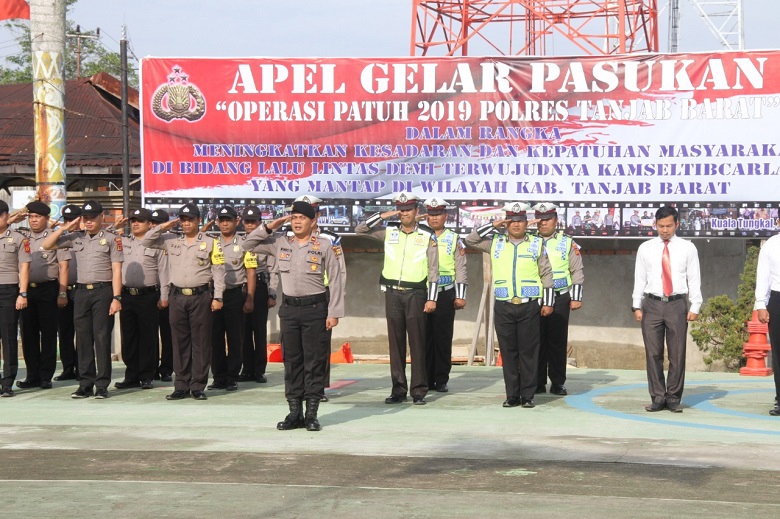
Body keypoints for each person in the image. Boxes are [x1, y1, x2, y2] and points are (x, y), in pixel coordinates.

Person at [243, 201, 345, 431]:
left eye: (302, 218)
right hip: (289, 310)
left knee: (313, 361)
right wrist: (271, 225)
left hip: (315, 309)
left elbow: (336, 280)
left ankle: (311, 414)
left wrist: (334, 312)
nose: (297, 222)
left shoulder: (324, 245)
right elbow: (247, 243)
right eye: (294, 217)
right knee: (292, 361)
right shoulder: (280, 243)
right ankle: (294, 413)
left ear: (313, 221)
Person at [465, 202, 554, 408]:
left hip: (529, 306)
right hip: (504, 305)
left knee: (528, 352)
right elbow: (471, 240)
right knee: (509, 352)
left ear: (526, 223)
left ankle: (528, 395)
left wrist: (548, 302)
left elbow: (547, 274)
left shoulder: (536, 243)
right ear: (506, 222)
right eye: (512, 221)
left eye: (520, 221)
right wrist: (494, 225)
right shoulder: (495, 242)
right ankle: (512, 395)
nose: (516, 225)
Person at [355, 192, 439, 405]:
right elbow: (360, 229)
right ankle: (398, 390)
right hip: (392, 293)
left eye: (408, 209)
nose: (404, 213)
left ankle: (419, 391)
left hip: (416, 295)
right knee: (396, 343)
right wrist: (386, 215)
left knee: (418, 343)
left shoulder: (428, 235)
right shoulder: (389, 231)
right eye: (401, 209)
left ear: (416, 211)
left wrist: (432, 298)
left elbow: (434, 270)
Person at [142, 202, 226, 401]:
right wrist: (164, 226)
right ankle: (181, 385)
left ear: (199, 220)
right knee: (179, 343)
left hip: (201, 296)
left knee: (201, 342)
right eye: (183, 220)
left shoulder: (211, 242)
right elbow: (146, 240)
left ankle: (198, 385)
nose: (187, 223)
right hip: (178, 297)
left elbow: (219, 271)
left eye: (190, 219)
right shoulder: (171, 241)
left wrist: (218, 296)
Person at [42, 200, 123, 400]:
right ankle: (85, 384)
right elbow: (47, 244)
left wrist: (116, 297)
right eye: (85, 218)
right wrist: (65, 227)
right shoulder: (76, 238)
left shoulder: (112, 239)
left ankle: (102, 385)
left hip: (103, 291)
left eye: (92, 218)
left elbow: (117, 269)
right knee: (83, 338)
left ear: (101, 217)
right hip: (81, 292)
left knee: (102, 338)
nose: (88, 222)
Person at [631, 205, 702, 413]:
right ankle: (657, 396)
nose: (664, 230)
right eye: (661, 226)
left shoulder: (688, 248)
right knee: (653, 353)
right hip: (651, 304)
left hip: (677, 303)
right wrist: (636, 304)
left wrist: (695, 304)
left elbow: (694, 277)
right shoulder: (646, 248)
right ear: (655, 225)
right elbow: (640, 278)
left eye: (669, 226)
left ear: (677, 224)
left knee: (677, 353)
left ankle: (673, 397)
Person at [290, 194, 346, 402]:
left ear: (316, 216)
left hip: (323, 293)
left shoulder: (330, 239)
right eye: (297, 214)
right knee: (296, 349)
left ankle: (318, 388)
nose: (301, 219)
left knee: (319, 346)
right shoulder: (289, 237)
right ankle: (298, 388)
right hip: (298, 297)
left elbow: (339, 273)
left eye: (309, 212)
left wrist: (336, 305)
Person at [13, 201, 68, 390]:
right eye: (31, 217)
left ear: (46, 218)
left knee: (48, 334)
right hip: (26, 290)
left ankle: (46, 376)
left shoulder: (54, 237)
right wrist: (16, 216)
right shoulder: (21, 236)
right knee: (28, 335)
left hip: (48, 289)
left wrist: (62, 292)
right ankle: (32, 375)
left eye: (38, 217)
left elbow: (63, 266)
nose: (34, 220)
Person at [531, 203, 584, 396]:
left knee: (557, 341)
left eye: (547, 219)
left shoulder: (567, 242)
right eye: (540, 219)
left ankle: (557, 382)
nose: (543, 223)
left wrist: (576, 297)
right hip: (536, 298)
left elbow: (577, 270)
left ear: (556, 220)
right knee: (536, 341)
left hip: (560, 297)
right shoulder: (530, 241)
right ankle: (536, 382)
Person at [115, 208, 169, 390]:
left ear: (149, 224)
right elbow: (104, 240)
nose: (135, 224)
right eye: (133, 221)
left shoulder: (156, 244)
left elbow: (163, 271)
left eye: (139, 221)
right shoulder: (123, 241)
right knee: (128, 337)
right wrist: (116, 227)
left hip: (148, 296)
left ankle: (147, 375)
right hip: (127, 295)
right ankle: (131, 374)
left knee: (148, 336)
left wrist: (164, 296)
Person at [208, 205, 256, 392]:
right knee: (215, 338)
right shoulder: (211, 243)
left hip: (235, 295)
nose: (225, 223)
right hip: (214, 296)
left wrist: (250, 298)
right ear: (217, 222)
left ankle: (232, 377)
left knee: (236, 338)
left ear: (236, 221)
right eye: (222, 220)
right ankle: (218, 377)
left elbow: (251, 272)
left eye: (228, 219)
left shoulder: (246, 243)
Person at [422, 197, 467, 393]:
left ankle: (441, 379)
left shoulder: (454, 238)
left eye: (437, 214)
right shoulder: (420, 235)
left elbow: (461, 267)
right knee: (422, 338)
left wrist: (460, 295)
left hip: (445, 293)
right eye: (431, 214)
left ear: (445, 216)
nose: (434, 218)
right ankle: (424, 378)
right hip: (421, 293)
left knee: (442, 338)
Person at [239, 205, 276, 384]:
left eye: (253, 221)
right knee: (243, 331)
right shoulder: (239, 242)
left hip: (261, 287)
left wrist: (272, 294)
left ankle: (259, 370)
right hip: (241, 288)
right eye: (247, 221)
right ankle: (247, 369)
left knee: (259, 331)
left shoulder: (268, 243)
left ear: (260, 222)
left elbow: (273, 270)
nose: (250, 225)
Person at [0, 201, 31, 397]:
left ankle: (7, 382)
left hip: (9, 292)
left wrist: (22, 293)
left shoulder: (19, 238)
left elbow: (25, 267)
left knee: (9, 337)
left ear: (5, 216)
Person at [54, 204, 81, 381]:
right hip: (64, 289)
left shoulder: (84, 238)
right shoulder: (61, 239)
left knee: (83, 331)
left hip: (82, 290)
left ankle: (82, 367)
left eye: (73, 220)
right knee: (65, 332)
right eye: (67, 220)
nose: (70, 223)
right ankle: (67, 367)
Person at [754, 233, 780, 416]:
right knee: (778, 353)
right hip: (777, 298)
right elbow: (763, 275)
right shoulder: (771, 245)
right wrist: (760, 304)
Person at [149, 209, 173, 382]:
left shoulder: (171, 240)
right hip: (151, 290)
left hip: (170, 291)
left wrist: (164, 294)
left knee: (167, 333)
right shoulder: (150, 240)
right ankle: (151, 368)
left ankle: (166, 368)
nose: (154, 225)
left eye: (159, 223)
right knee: (150, 333)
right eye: (153, 222)